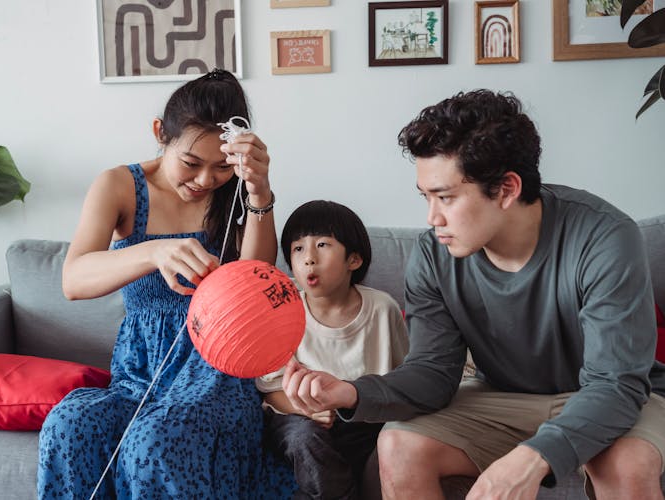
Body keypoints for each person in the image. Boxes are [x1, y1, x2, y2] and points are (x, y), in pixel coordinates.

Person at [282, 90, 665, 499]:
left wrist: (533, 457)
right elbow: (433, 373)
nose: (432, 218)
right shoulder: (434, 254)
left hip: (609, 397)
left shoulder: (603, 238)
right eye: (426, 197)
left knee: (627, 465)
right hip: (501, 399)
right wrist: (352, 391)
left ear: (506, 189)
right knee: (398, 444)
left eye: (445, 197)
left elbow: (615, 385)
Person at [37, 69, 296, 499]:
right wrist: (152, 253)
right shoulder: (120, 186)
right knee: (71, 423)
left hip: (215, 374)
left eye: (221, 168)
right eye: (191, 164)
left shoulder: (232, 193)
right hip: (138, 374)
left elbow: (254, 282)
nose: (204, 181)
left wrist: (259, 193)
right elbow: (73, 280)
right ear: (160, 133)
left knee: (155, 440)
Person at [256, 200, 409, 499]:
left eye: (322, 244)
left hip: (365, 421)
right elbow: (269, 391)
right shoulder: (284, 312)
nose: (308, 259)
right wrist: (306, 410)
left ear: (353, 259)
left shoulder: (382, 308)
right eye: (298, 249)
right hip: (297, 418)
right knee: (305, 438)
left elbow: (405, 381)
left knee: (395, 440)